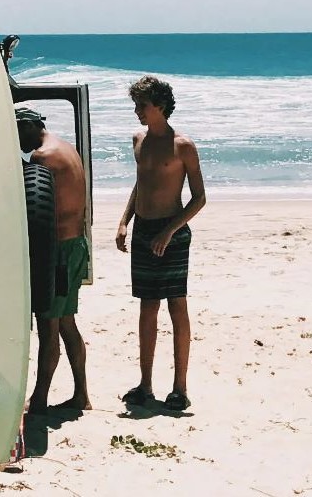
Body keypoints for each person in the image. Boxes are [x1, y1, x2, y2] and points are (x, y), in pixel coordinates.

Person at [115, 75, 207, 412]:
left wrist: (169, 231)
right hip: (142, 232)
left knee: (176, 306)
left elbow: (199, 198)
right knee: (146, 308)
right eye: (136, 105)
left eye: (142, 105)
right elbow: (141, 184)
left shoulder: (183, 145)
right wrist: (125, 221)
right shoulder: (138, 139)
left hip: (172, 234)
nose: (137, 111)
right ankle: (145, 384)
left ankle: (179, 388)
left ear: (160, 106)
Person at [15, 105, 91, 413]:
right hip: (75, 245)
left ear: (29, 127)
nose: (17, 140)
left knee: (48, 325)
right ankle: (81, 395)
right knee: (65, 324)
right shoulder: (66, 147)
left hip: (58, 251)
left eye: (17, 132)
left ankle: (40, 399)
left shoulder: (42, 157)